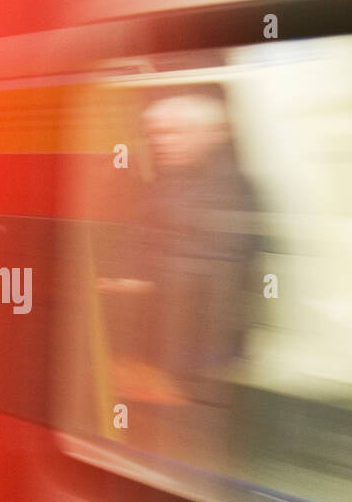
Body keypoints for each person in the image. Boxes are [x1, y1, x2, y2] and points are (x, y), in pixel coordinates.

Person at [99, 91, 259, 465]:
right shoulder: (172, 182)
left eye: (174, 133)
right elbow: (146, 239)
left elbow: (212, 270)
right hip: (166, 352)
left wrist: (140, 283)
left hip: (197, 360)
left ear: (211, 134)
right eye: (155, 134)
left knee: (182, 454)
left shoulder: (230, 190)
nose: (161, 142)